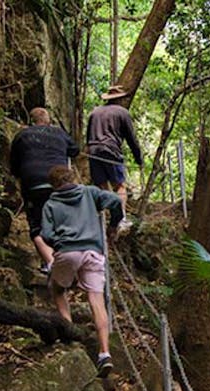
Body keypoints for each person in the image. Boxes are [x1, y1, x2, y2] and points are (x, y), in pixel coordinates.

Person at [41, 165, 123, 375]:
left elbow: (46, 235)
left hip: (68, 252)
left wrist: (61, 240)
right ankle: (104, 353)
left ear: (54, 184)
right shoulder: (90, 192)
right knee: (96, 299)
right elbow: (115, 201)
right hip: (93, 251)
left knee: (57, 288)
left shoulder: (50, 203)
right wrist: (114, 224)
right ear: (73, 177)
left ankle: (68, 331)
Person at [10, 107, 79, 273]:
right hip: (59, 183)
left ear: (30, 121)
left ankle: (50, 262)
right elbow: (75, 150)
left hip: (33, 183)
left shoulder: (21, 136)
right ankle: (63, 261)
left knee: (37, 224)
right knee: (60, 222)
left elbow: (13, 165)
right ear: (48, 120)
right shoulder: (59, 133)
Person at [86, 84, 143, 223]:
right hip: (111, 150)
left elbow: (88, 136)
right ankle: (120, 219)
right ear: (120, 99)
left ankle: (102, 219)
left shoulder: (95, 112)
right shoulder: (122, 112)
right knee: (120, 186)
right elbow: (131, 138)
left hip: (93, 151)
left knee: (102, 185)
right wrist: (138, 158)